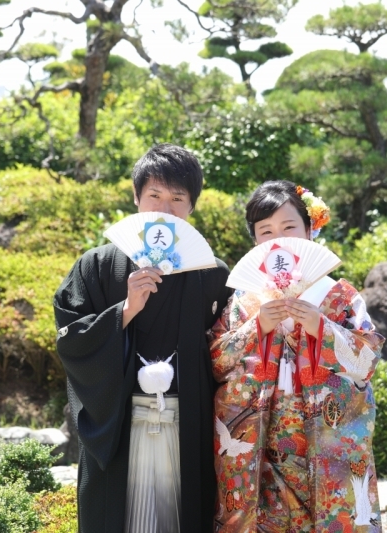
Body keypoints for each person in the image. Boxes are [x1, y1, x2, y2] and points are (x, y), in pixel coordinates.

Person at [54, 144, 233, 533]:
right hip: (119, 425)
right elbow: (71, 339)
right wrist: (125, 310)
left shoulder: (213, 274)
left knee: (183, 518)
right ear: (136, 197)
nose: (165, 209)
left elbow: (233, 352)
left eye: (177, 198)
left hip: (189, 425)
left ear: (192, 207)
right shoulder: (97, 266)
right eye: (154, 195)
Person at [209, 180, 385, 532]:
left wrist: (323, 327)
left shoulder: (339, 296)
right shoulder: (245, 302)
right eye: (265, 231)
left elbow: (367, 363)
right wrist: (254, 326)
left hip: (325, 436)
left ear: (309, 230)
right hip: (261, 440)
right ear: (255, 241)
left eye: (289, 227)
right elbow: (217, 362)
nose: (278, 239)